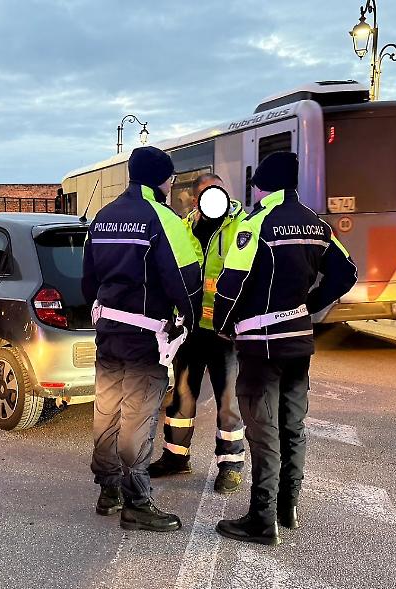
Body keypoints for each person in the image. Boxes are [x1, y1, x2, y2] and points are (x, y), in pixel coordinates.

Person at [213, 151, 357, 546]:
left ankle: (261, 520)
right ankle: (287, 507)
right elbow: (348, 272)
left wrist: (222, 327)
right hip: (298, 341)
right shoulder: (316, 226)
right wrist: (309, 305)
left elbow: (232, 284)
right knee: (293, 424)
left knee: (263, 431)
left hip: (260, 345)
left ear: (262, 185)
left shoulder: (255, 225)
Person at [81, 146, 203, 533]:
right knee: (136, 416)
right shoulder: (161, 218)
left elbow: (87, 282)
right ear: (163, 180)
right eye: (170, 178)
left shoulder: (103, 218)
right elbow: (186, 281)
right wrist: (190, 321)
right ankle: (136, 502)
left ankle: (108, 490)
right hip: (145, 336)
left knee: (107, 410)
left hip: (108, 331)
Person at [150, 173, 248, 495]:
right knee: (182, 397)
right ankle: (176, 457)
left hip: (225, 333)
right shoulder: (184, 227)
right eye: (206, 194)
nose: (213, 198)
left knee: (227, 401)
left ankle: (231, 465)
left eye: (218, 191)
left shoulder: (241, 226)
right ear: (195, 200)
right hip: (191, 331)